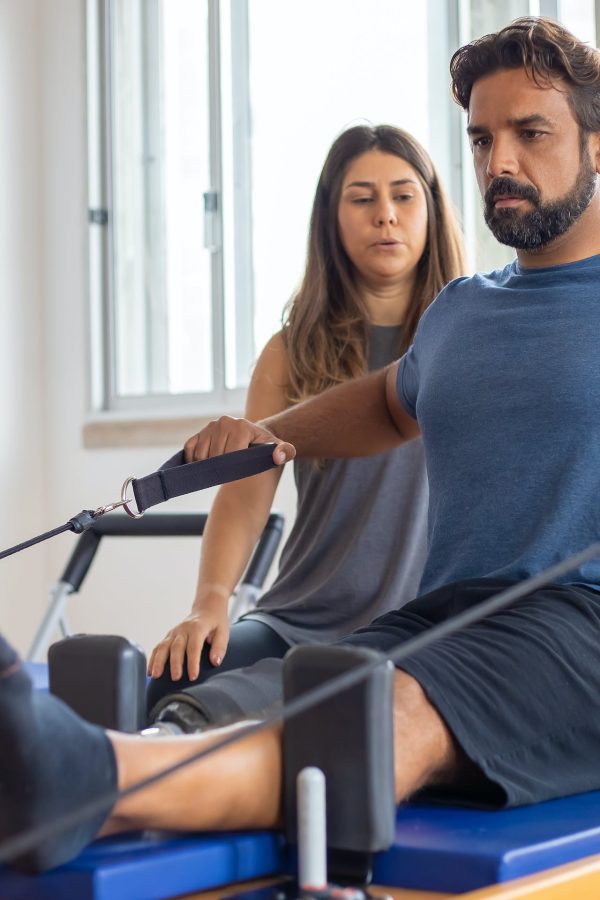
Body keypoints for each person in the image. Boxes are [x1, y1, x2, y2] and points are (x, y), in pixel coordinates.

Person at [4, 15, 600, 877]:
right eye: (481, 137)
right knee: (307, 692)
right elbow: (390, 408)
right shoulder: (465, 309)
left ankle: (84, 778)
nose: (499, 162)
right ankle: (68, 770)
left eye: (531, 133)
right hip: (451, 617)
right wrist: (258, 439)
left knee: (379, 716)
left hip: (577, 628)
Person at [146, 124, 465, 717]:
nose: (385, 216)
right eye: (362, 198)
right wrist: (209, 603)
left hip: (425, 625)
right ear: (332, 216)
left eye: (403, 196)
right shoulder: (291, 350)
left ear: (431, 206)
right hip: (301, 615)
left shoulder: (473, 335)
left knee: (344, 706)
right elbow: (246, 491)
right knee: (169, 685)